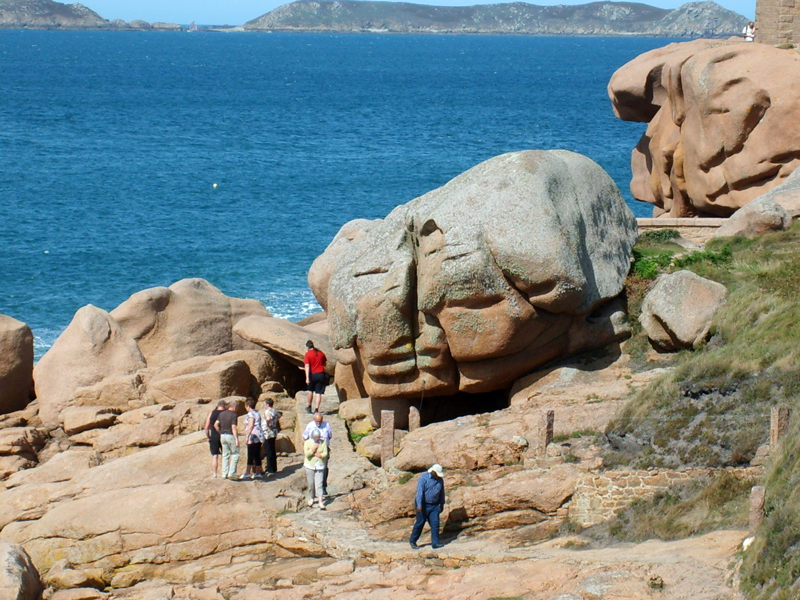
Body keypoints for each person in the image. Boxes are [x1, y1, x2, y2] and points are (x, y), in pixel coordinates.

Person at [409, 464, 446, 550]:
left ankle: (435, 543)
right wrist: (419, 505)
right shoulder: (423, 478)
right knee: (420, 523)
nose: (437, 476)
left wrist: (442, 504)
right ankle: (413, 540)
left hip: (434, 505)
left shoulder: (440, 480)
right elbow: (420, 492)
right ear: (433, 472)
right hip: (423, 504)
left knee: (435, 523)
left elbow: (442, 493)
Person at [302, 411, 333, 496]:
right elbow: (305, 436)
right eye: (317, 421)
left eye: (320, 421)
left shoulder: (327, 425)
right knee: (312, 469)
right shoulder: (310, 425)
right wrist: (310, 448)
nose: (318, 423)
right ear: (314, 420)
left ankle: (323, 487)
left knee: (324, 468)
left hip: (323, 449)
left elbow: (330, 436)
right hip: (313, 449)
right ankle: (313, 489)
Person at [303, 429, 328, 510]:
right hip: (310, 465)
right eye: (316, 437)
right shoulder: (307, 442)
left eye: (318, 437)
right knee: (311, 484)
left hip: (320, 465)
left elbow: (325, 453)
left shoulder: (323, 442)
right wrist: (313, 449)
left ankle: (320, 501)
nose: (317, 439)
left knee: (319, 484)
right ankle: (312, 497)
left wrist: (320, 455)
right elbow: (307, 454)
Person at [214, 400, 240, 480]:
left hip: (223, 435)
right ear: (235, 407)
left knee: (225, 455)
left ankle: (224, 474)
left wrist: (220, 432)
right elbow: (233, 427)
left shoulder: (221, 414)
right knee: (235, 454)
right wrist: (236, 439)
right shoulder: (233, 415)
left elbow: (215, 424)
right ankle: (231, 473)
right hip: (230, 435)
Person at [242, 398, 264, 480]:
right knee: (257, 454)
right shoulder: (257, 413)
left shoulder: (250, 414)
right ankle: (258, 472)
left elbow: (251, 425)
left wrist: (247, 436)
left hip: (252, 435)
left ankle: (248, 472)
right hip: (258, 435)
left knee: (250, 454)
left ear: (247, 406)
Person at [204, 399, 227, 478]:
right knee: (225, 455)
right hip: (224, 435)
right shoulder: (225, 413)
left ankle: (215, 474)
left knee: (215, 456)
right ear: (225, 406)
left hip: (214, 436)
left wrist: (208, 437)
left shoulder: (212, 413)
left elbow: (206, 427)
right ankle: (225, 473)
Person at [304, 340, 328, 414]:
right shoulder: (320, 353)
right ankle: (316, 409)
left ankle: (309, 406)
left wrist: (307, 377)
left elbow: (307, 366)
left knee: (310, 390)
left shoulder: (307, 354)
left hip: (312, 375)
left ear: (308, 347)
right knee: (318, 393)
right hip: (321, 374)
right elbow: (325, 363)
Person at [263, 398, 281, 475]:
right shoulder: (274, 410)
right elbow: (279, 416)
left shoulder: (268, 411)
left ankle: (270, 469)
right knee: (272, 450)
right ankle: (274, 468)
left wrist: (268, 424)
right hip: (274, 431)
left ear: (267, 404)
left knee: (268, 450)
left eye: (264, 404)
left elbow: (268, 418)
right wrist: (274, 422)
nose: (264, 405)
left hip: (268, 432)